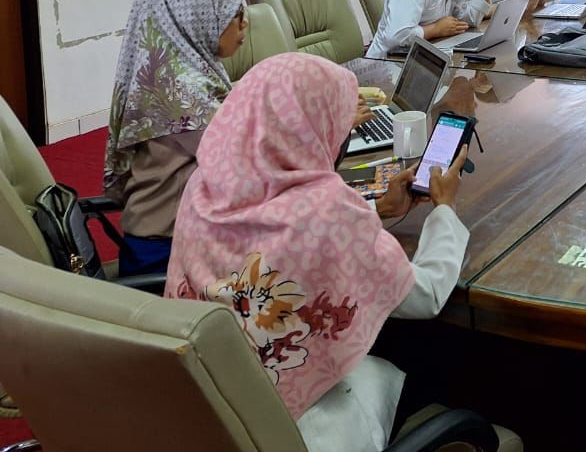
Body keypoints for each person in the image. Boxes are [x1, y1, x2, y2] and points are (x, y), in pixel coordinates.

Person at [165, 53, 472, 452]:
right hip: (309, 425)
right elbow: (425, 296)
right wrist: (445, 210)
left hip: (213, 400)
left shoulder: (203, 185)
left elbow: (279, 241)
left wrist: (377, 209)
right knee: (443, 360)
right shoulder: (326, 208)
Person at [103, 0, 247, 276]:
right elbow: (242, 155)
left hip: (180, 235)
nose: (244, 24)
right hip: (167, 252)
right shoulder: (177, 90)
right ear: (197, 18)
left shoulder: (181, 72)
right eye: (235, 15)